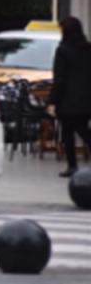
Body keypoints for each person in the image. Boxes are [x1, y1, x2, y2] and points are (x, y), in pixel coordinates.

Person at [48, 16, 91, 178]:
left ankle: (72, 165)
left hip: (68, 100)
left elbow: (59, 78)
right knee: (82, 129)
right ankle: (71, 165)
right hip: (86, 99)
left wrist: (52, 102)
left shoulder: (63, 50)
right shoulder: (88, 49)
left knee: (69, 132)